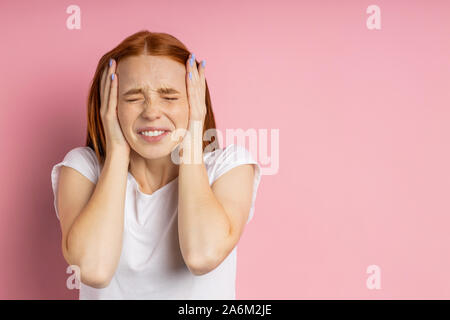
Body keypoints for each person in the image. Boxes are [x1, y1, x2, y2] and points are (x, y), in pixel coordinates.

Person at [51, 30, 261, 299]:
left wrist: (194, 132)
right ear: (110, 106)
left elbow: (202, 255)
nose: (151, 111)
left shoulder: (229, 167)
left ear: (194, 101)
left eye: (170, 97)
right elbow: (94, 269)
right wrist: (116, 150)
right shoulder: (83, 169)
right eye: (132, 97)